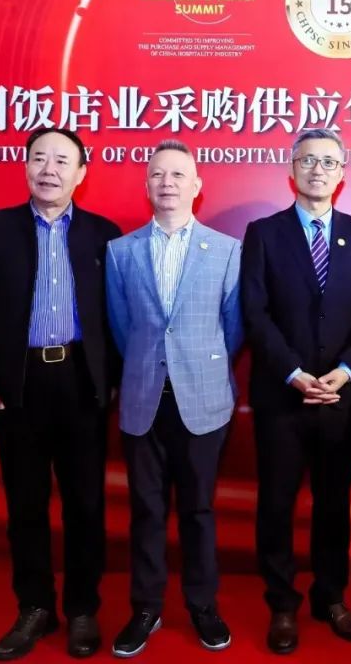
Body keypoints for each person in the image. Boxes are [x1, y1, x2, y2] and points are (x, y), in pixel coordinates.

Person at [0, 126, 121, 660]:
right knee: (25, 504)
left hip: (80, 383)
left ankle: (82, 609)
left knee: (85, 504)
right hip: (16, 385)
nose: (49, 170)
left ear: (81, 173)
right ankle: (34, 607)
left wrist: (112, 379)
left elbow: (121, 316)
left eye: (62, 161)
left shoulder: (104, 234)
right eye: (40, 159)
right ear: (25, 166)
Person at [240, 128, 351, 654]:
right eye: (307, 160)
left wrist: (347, 371)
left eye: (328, 162)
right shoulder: (264, 233)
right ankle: (282, 603)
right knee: (276, 504)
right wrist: (293, 372)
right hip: (282, 396)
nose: (317, 170)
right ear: (291, 170)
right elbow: (254, 312)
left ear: (342, 174)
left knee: (333, 504)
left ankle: (331, 596)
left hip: (340, 398)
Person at [104, 140, 242, 658]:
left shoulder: (226, 250)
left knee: (199, 510)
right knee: (146, 510)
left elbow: (233, 327)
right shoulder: (121, 252)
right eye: (158, 174)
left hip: (204, 399)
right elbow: (122, 326)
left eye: (178, 174)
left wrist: (195, 365)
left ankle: (203, 604)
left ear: (197, 186)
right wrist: (151, 364)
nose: (168, 182)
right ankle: (146, 607)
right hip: (143, 397)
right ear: (146, 186)